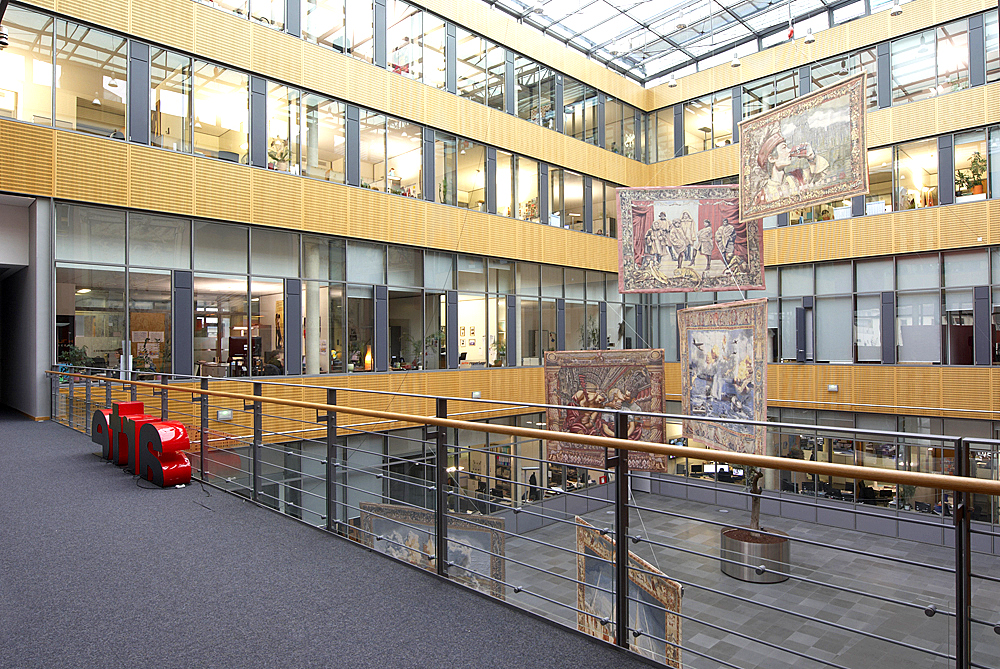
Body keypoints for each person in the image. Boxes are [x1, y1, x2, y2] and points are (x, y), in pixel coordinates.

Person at [754, 129, 829, 205]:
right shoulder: (762, 196)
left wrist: (811, 157)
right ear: (772, 158)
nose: (789, 151)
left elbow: (823, 174)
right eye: (784, 148)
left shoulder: (798, 177)